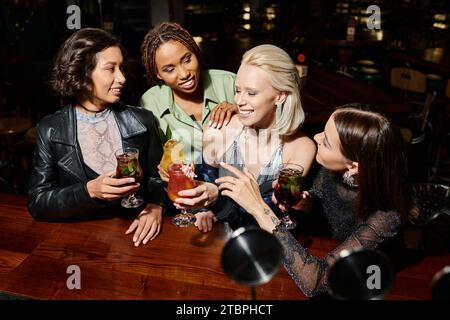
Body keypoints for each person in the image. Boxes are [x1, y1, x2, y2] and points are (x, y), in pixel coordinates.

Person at [216, 104, 412, 297]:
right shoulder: (334, 167)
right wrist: (307, 203)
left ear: (353, 166)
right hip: (323, 250)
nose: (316, 137)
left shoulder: (387, 216)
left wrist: (258, 209)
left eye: (326, 141)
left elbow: (316, 282)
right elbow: (326, 204)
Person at [28, 28, 165, 247]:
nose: (122, 78)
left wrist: (155, 207)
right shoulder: (51, 129)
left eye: (122, 68)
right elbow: (38, 203)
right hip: (81, 243)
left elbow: (159, 178)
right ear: (82, 72)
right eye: (111, 69)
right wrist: (89, 191)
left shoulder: (142, 120)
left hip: (138, 238)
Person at [175, 44, 316, 229]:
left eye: (251, 93)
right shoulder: (218, 128)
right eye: (237, 90)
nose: (239, 101)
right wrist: (202, 210)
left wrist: (216, 202)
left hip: (269, 247)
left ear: (280, 96)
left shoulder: (301, 147)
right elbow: (201, 187)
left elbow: (277, 223)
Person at [139, 22, 238, 232]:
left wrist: (241, 110)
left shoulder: (229, 83)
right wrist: (161, 170)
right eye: (169, 69)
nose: (184, 74)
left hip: (237, 193)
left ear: (196, 52)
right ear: (157, 74)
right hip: (185, 200)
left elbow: (274, 127)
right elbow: (153, 160)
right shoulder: (151, 102)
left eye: (187, 59)